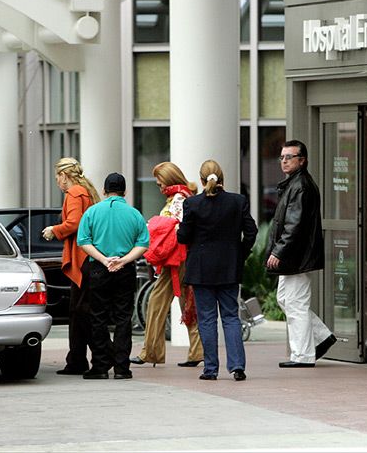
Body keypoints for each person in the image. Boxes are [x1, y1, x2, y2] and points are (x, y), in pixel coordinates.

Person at [177, 160, 257, 381]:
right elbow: (251, 232)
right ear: (223, 178)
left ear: (202, 180)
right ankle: (237, 366)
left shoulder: (192, 204)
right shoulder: (238, 201)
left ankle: (210, 369)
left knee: (207, 319)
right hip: (229, 267)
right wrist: (240, 254)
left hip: (201, 269)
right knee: (231, 317)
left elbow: (183, 237)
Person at [266, 140, 336, 368]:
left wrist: (279, 251)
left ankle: (303, 356)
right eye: (282, 157)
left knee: (295, 303)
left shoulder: (301, 186)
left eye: (289, 157)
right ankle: (322, 336)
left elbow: (294, 225)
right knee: (285, 299)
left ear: (302, 160)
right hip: (295, 256)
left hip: (296, 256)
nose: (284, 161)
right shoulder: (294, 184)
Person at [76, 173, 149, 380]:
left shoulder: (92, 212)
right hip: (125, 270)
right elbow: (143, 244)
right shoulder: (134, 214)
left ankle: (99, 367)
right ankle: (122, 368)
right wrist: (123, 261)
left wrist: (104, 259)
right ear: (125, 192)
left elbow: (83, 241)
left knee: (97, 318)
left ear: (103, 190)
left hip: (99, 269)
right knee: (123, 318)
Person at [130, 162, 204, 368]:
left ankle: (151, 352)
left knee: (155, 304)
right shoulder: (185, 195)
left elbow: (173, 228)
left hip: (176, 261)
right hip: (185, 259)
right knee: (188, 305)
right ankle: (196, 352)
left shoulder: (178, 199)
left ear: (170, 180)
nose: (159, 187)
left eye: (160, 183)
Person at [42, 158, 99, 375]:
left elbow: (74, 223)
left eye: (57, 176)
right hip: (88, 258)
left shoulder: (74, 193)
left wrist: (53, 230)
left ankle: (83, 359)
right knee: (81, 311)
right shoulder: (87, 191)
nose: (56, 180)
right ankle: (79, 359)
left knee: (79, 312)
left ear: (64, 175)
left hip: (80, 257)